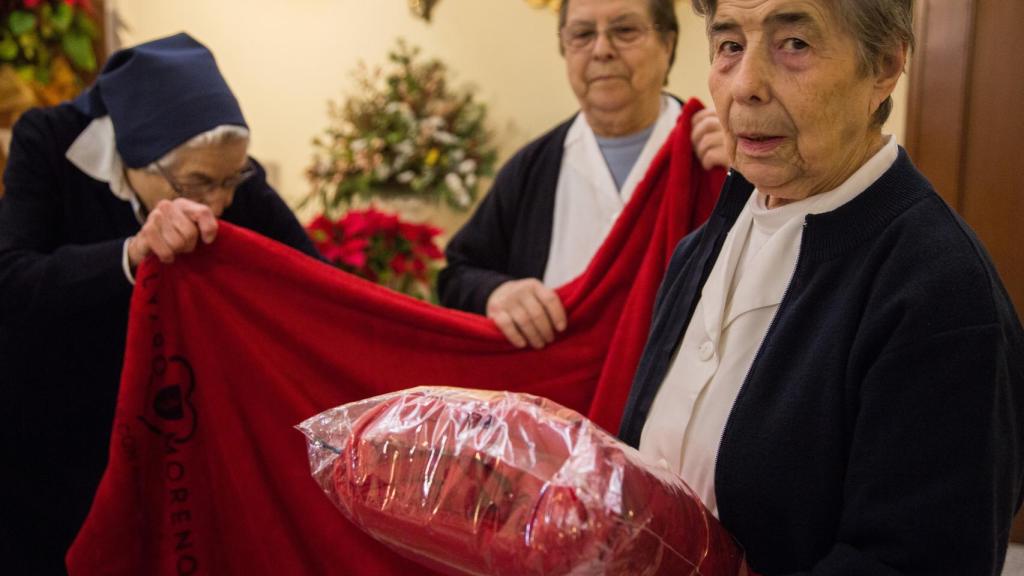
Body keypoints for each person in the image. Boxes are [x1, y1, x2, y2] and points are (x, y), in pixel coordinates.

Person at [617, 0, 1024, 574]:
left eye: (795, 45)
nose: (747, 86)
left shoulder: (941, 293)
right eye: (730, 46)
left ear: (883, 66)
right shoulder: (703, 246)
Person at [0, 33, 321, 574]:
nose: (219, 202)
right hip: (48, 436)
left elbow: (318, 285)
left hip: (173, 431)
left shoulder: (230, 175)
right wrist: (131, 253)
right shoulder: (50, 143)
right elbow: (10, 278)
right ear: (136, 158)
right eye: (198, 184)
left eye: (229, 181)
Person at [438, 0, 728, 350]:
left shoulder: (718, 154)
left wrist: (753, 174)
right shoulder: (532, 168)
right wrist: (496, 292)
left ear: (668, 44)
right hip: (559, 397)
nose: (602, 50)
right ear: (565, 49)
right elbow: (457, 274)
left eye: (624, 30)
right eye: (582, 34)